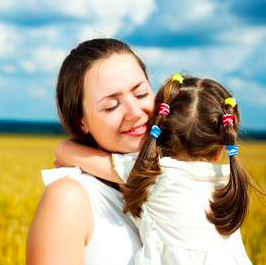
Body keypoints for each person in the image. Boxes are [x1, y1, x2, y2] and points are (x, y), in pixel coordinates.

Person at [55, 74, 253, 264]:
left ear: (157, 128)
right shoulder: (228, 181)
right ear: (220, 148)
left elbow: (66, 152)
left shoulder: (152, 171)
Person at [26, 38, 155, 265]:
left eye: (142, 94)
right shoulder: (69, 199)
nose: (135, 112)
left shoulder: (191, 176)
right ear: (82, 121)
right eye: (111, 106)